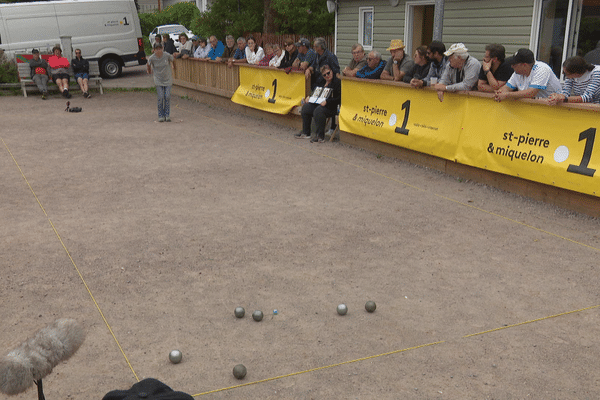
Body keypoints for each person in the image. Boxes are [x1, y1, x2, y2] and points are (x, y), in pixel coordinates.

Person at [494, 48, 561, 102]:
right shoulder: (517, 73)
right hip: (537, 106)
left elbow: (531, 93)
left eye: (514, 64)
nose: (511, 66)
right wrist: (500, 92)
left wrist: (507, 94)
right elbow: (507, 87)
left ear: (524, 65)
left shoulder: (542, 68)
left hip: (556, 107)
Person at [296, 65, 341, 143]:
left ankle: (320, 136)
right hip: (319, 104)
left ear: (331, 71)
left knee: (319, 111)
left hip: (332, 106)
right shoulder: (321, 82)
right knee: (306, 107)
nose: (327, 75)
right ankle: (306, 132)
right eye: (324, 75)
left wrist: (327, 101)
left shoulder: (337, 82)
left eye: (328, 73)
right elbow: (316, 93)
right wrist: (309, 97)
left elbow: (339, 99)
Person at [147, 42, 175, 122]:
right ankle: (161, 115)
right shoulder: (152, 58)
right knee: (160, 97)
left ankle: (167, 115)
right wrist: (149, 71)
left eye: (160, 49)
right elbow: (148, 64)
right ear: (154, 50)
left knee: (167, 96)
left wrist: (173, 66)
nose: (158, 51)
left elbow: (173, 59)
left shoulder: (166, 55)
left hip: (167, 78)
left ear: (162, 49)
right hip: (158, 79)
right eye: (157, 49)